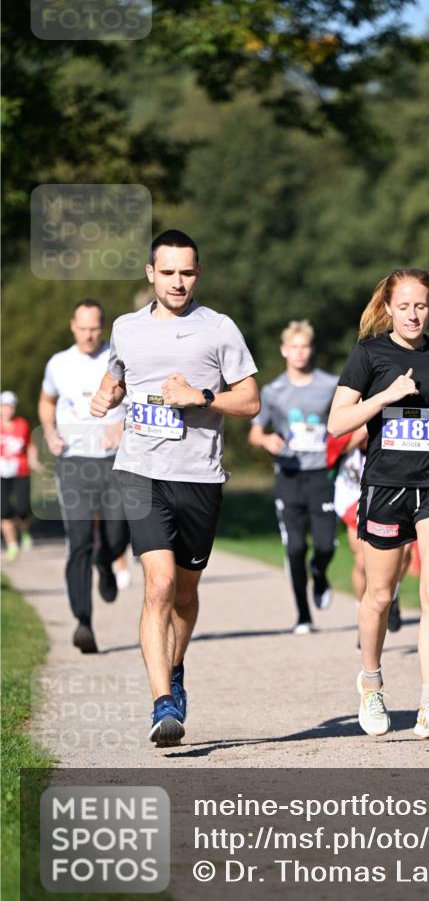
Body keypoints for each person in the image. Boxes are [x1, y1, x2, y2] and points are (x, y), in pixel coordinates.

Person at [91, 229, 260, 747]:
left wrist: (200, 396)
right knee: (159, 585)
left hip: (199, 476)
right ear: (151, 273)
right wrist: (106, 395)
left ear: (198, 273)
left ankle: (176, 665)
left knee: (185, 593)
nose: (177, 282)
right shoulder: (126, 327)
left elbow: (250, 400)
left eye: (187, 272)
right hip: (140, 469)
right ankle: (163, 702)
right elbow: (118, 376)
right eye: (167, 272)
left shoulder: (219, 329)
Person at [328, 268, 429, 739]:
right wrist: (386, 396)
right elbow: (337, 424)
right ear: (389, 308)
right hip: (385, 484)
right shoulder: (368, 354)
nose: (413, 314)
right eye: (404, 306)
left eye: (421, 305)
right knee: (379, 595)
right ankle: (371, 684)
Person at [39, 301, 130, 654]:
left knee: (117, 535)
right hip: (74, 461)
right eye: (83, 328)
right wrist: (50, 432)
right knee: (78, 540)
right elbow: (47, 402)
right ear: (72, 326)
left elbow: (143, 401)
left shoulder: (119, 358)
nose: (89, 335)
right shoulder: (58, 363)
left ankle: (106, 563)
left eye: (95, 328)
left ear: (103, 328)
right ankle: (83, 623)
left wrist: (123, 425)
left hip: (114, 461)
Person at [249, 320, 339, 633]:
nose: (300, 352)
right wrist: (266, 440)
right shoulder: (273, 391)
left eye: (305, 346)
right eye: (294, 347)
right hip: (289, 476)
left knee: (325, 545)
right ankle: (303, 615)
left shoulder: (331, 385)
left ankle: (320, 572)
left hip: (322, 476)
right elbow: (255, 433)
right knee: (295, 548)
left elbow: (346, 420)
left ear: (311, 350)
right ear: (284, 350)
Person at [327, 428, 410, 638]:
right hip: (353, 500)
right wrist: (365, 427)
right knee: (362, 562)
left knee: (406, 553)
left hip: (392, 495)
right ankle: (363, 618)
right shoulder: (354, 429)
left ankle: (393, 595)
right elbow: (334, 448)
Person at [1, 391, 40, 560]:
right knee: (4, 510)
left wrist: (34, 460)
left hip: (20, 471)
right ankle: (11, 545)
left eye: (10, 406)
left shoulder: (22, 424)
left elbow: (30, 445)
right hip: (1, 473)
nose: (7, 410)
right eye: (4, 406)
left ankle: (24, 531)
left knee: (23, 508)